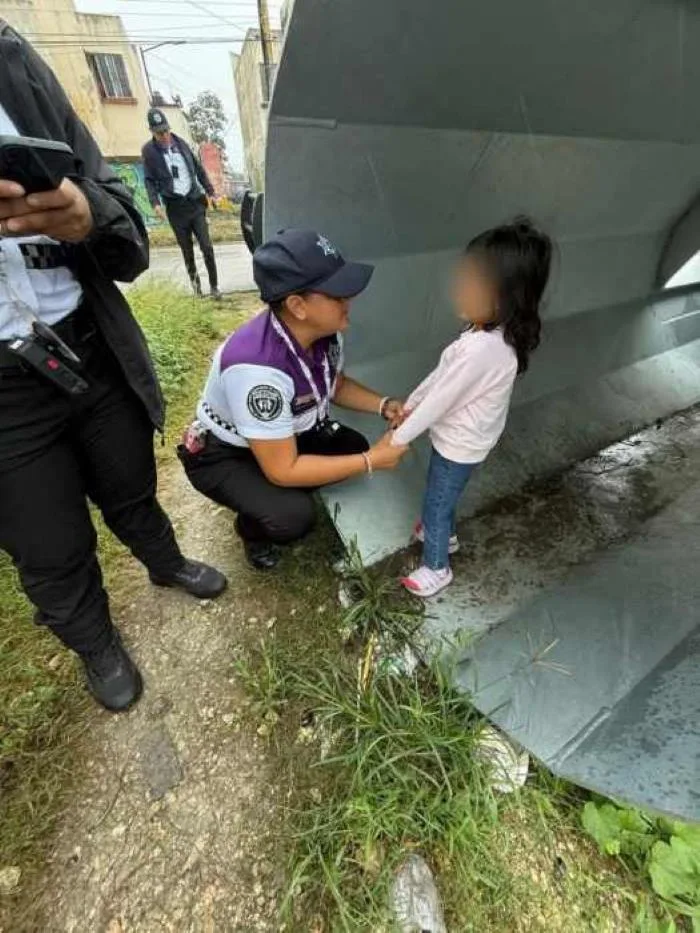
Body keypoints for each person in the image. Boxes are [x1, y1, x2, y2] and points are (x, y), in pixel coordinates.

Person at [0, 23, 227, 713]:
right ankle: (97, 643)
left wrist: (87, 213)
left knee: (128, 479)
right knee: (48, 540)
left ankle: (164, 562)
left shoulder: (11, 63)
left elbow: (121, 223)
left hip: (84, 341)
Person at [179, 228, 409, 569]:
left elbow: (335, 383)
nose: (349, 300)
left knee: (351, 445)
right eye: (337, 293)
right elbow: (283, 470)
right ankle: (251, 528)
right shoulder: (257, 371)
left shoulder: (325, 334)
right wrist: (372, 460)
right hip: (225, 453)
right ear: (297, 305)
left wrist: (383, 403)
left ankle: (273, 490)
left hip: (285, 434)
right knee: (292, 516)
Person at [393, 218, 553, 597]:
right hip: (461, 441)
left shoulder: (484, 348)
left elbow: (442, 398)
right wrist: (412, 405)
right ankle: (442, 535)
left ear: (506, 295)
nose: (458, 290)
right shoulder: (484, 334)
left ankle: (437, 566)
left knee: (435, 501)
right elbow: (442, 378)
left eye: (471, 284)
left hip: (459, 445)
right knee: (442, 494)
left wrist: (398, 438)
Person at [142, 107, 222, 299]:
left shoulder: (182, 144)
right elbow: (149, 180)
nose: (164, 135)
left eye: (166, 131)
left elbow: (199, 170)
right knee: (187, 251)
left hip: (194, 203)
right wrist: (155, 203)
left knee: (207, 246)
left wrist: (211, 192)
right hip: (175, 208)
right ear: (152, 132)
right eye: (159, 132)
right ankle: (197, 290)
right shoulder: (149, 152)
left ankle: (214, 287)